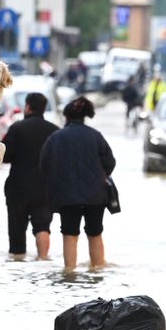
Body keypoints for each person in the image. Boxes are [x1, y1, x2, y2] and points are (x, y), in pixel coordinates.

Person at [40, 96, 116, 272]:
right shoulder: (95, 136)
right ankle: (97, 271)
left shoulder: (55, 138)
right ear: (85, 116)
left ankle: (70, 272)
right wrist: (98, 177)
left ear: (66, 116)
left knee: (69, 234)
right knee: (95, 233)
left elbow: (44, 166)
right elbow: (110, 162)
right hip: (96, 195)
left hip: (66, 196)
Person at [1, 92, 58, 261]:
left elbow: (4, 156)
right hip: (45, 189)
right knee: (42, 227)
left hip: (18, 189)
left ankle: (18, 263)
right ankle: (43, 259)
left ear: (27, 107)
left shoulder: (17, 128)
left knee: (17, 232)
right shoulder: (54, 131)